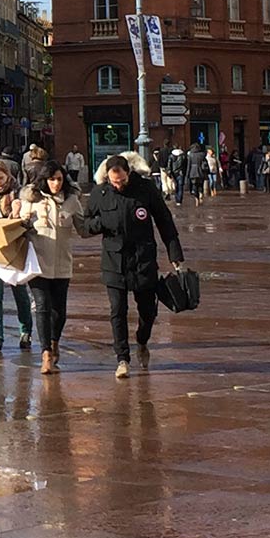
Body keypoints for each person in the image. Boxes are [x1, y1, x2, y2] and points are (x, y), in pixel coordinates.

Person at [75, 152, 185, 380]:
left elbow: (164, 220)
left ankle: (142, 341)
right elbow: (85, 226)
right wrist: (101, 223)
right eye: (114, 181)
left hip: (143, 259)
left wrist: (175, 253)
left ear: (129, 173)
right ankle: (122, 359)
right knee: (117, 311)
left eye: (122, 180)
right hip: (114, 262)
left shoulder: (145, 189)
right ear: (108, 178)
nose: (118, 185)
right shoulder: (100, 193)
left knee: (148, 311)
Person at [21, 163, 79, 375]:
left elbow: (84, 228)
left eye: (59, 179)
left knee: (59, 311)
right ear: (44, 180)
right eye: (52, 179)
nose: (56, 183)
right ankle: (45, 353)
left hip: (62, 263)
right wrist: (18, 217)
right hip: (38, 262)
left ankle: (54, 342)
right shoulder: (32, 200)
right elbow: (19, 226)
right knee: (42, 305)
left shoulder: (72, 201)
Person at [0, 160, 32, 355]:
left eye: (1, 178)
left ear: (8, 176)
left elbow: (29, 223)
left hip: (15, 249)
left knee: (20, 291)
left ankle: (26, 332)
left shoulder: (20, 194)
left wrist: (18, 215)